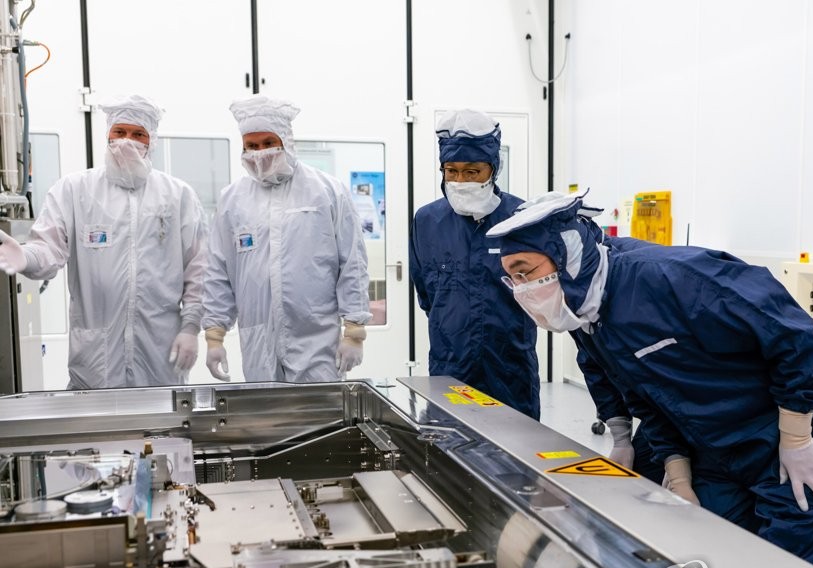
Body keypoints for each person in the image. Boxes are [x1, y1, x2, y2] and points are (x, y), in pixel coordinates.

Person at [487, 193, 813, 568]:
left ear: (565, 256)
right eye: (512, 278)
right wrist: (678, 472)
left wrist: (797, 436)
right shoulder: (586, 315)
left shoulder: (670, 277)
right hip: (719, 425)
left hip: (808, 406)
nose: (520, 289)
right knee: (705, 542)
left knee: (792, 562)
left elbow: (794, 337)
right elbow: (649, 397)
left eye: (526, 272)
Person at [0, 95, 205, 389]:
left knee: (160, 428)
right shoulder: (75, 190)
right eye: (119, 132)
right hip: (96, 357)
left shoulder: (177, 196)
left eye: (138, 134)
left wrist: (191, 327)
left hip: (160, 349)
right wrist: (27, 257)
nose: (126, 141)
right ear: (108, 135)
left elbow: (198, 269)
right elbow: (49, 248)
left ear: (152, 142)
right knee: (95, 429)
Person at [202, 95, 370, 383]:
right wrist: (214, 335)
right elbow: (219, 269)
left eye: (268, 143)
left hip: (316, 339)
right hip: (257, 339)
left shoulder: (326, 191)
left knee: (321, 417)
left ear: (287, 141)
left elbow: (352, 262)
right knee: (267, 418)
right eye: (251, 146)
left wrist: (354, 330)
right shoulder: (232, 200)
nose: (259, 153)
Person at [410, 109, 540, 418]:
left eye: (472, 172)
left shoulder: (521, 218)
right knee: (450, 450)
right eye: (451, 171)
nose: (460, 181)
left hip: (510, 365)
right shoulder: (427, 221)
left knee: (515, 449)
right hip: (450, 363)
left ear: (493, 169)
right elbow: (426, 294)